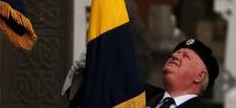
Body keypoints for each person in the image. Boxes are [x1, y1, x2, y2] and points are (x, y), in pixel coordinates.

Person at [62, 37, 219, 107]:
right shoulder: (140, 95)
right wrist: (94, 66)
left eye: (185, 56)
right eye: (176, 52)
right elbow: (107, 87)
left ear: (199, 76)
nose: (176, 55)